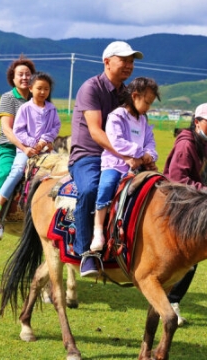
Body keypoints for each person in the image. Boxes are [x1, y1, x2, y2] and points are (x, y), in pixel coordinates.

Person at [68, 41, 144, 278]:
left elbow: (137, 126)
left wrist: (144, 155)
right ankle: (85, 253)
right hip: (88, 154)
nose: (129, 66)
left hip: (117, 156)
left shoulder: (126, 93)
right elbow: (95, 131)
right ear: (107, 61)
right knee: (90, 190)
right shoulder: (90, 88)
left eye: (131, 62)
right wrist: (127, 154)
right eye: (124, 60)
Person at [162, 102, 207, 326]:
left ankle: (173, 301)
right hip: (177, 205)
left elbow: (202, 179)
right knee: (184, 258)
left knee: (192, 258)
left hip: (195, 205)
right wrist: (206, 190)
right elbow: (178, 180)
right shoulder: (186, 145)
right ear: (197, 122)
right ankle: (168, 302)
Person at [0, 72, 61, 238]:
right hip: (25, 149)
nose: (42, 92)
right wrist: (33, 144)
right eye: (39, 88)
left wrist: (44, 141)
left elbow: (55, 128)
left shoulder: (52, 109)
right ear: (31, 89)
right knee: (17, 170)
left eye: (46, 89)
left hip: (45, 149)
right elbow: (18, 130)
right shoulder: (25, 108)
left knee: (60, 169)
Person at [90, 77, 160, 253]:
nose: (148, 107)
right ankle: (98, 230)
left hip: (137, 168)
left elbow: (150, 142)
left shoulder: (143, 120)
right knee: (106, 186)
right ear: (135, 96)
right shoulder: (117, 116)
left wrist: (149, 156)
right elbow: (116, 141)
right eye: (147, 102)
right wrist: (139, 152)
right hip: (114, 164)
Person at [0, 56, 36, 239]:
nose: (24, 78)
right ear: (13, 78)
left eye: (28, 74)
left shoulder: (37, 96)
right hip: (9, 146)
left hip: (34, 147)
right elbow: (7, 129)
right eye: (20, 75)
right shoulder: (8, 98)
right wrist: (23, 148)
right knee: (7, 172)